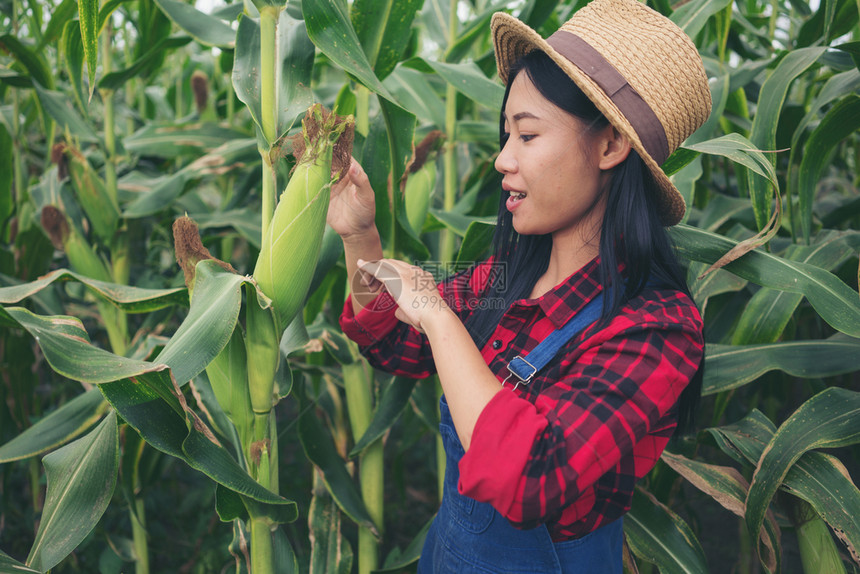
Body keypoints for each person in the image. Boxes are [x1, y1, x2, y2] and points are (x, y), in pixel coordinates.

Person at [328, 0, 711, 571]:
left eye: (527, 136)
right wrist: (361, 236)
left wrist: (437, 314)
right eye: (505, 134)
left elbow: (532, 476)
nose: (502, 160)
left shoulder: (656, 329)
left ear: (610, 146)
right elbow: (391, 340)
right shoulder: (505, 279)